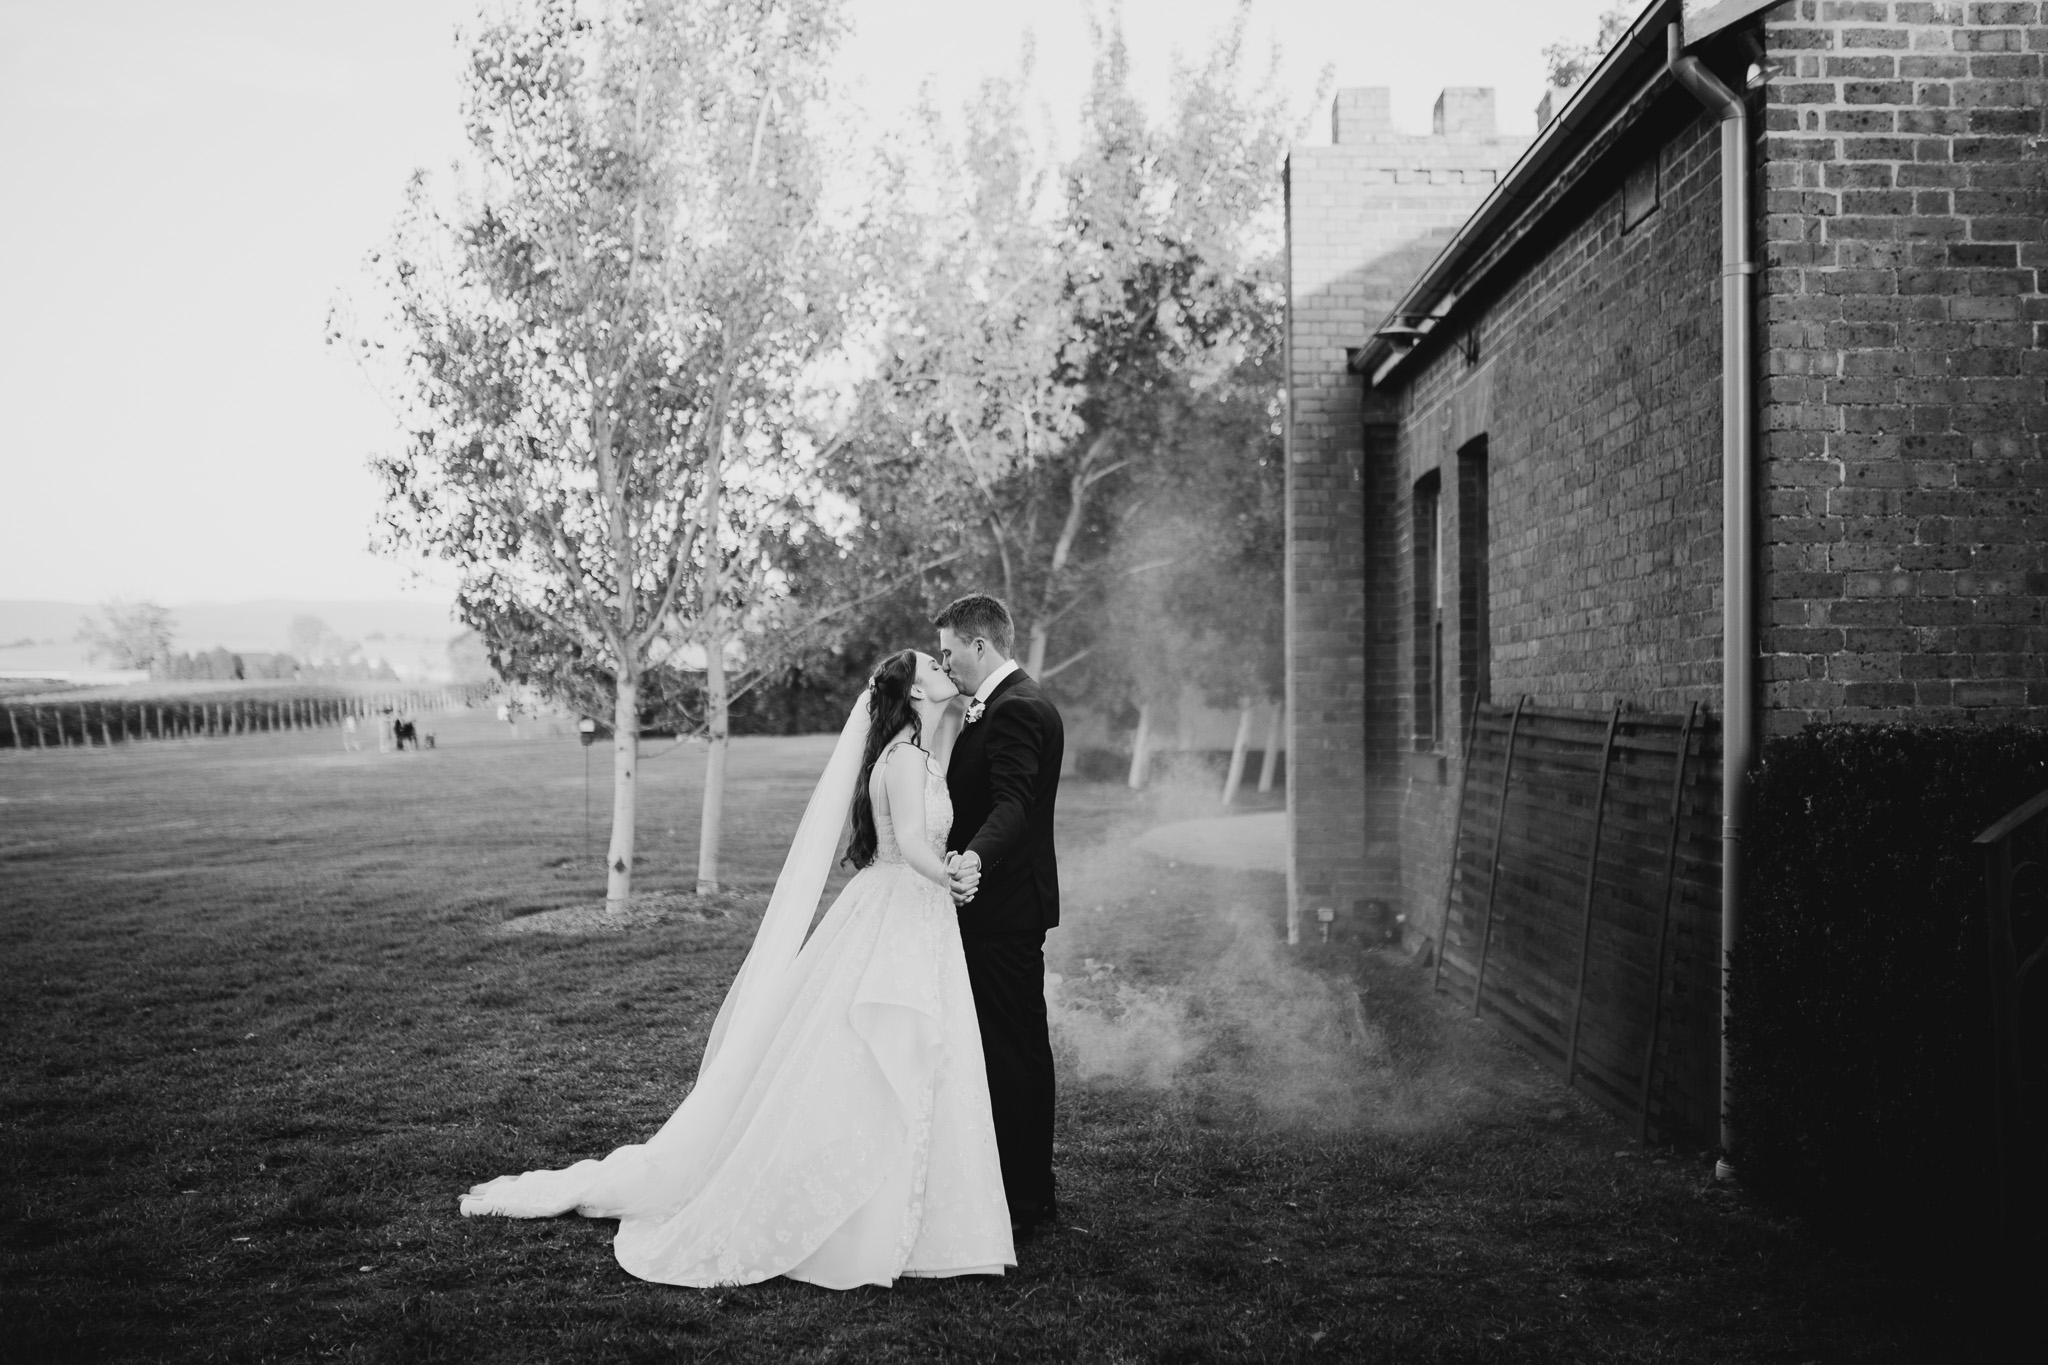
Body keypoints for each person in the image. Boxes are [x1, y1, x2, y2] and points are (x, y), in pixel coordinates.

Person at [459, 650, 1014, 1289]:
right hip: (905, 905)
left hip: (904, 907)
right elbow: (913, 842)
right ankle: (883, 1218)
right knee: (893, 1043)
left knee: (899, 1047)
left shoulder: (909, 752)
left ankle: (909, 1211)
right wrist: (949, 875)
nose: (944, 668)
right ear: (914, 692)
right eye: (932, 668)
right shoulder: (908, 759)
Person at [933, 593, 1065, 1240]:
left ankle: (1025, 1198)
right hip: (999, 907)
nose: (944, 662)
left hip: (1002, 910)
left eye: (949, 650)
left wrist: (974, 859)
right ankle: (1017, 1186)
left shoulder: (1015, 708)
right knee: (1005, 1048)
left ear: (979, 644)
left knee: (1013, 1053)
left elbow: (1013, 804)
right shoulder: (1011, 701)